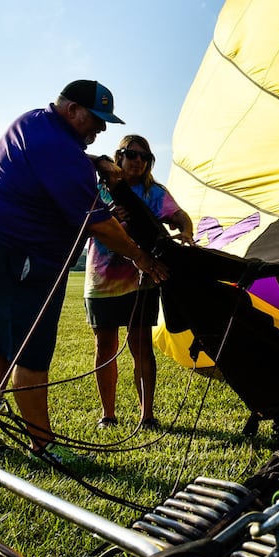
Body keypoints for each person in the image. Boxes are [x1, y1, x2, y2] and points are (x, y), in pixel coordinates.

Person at [0, 79, 169, 463]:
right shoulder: (60, 149)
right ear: (72, 110)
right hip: (17, 251)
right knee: (31, 352)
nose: (101, 129)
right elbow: (100, 224)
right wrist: (142, 258)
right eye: (96, 119)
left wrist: (96, 161)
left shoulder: (33, 123)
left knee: (3, 348)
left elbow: (56, 159)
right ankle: (44, 445)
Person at [85, 134, 193, 430]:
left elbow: (181, 216)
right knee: (104, 346)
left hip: (142, 280)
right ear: (117, 157)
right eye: (131, 154)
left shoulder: (155, 193)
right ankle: (108, 415)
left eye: (145, 157)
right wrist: (107, 217)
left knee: (141, 345)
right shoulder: (98, 191)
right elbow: (81, 226)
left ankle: (147, 416)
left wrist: (186, 232)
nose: (138, 161)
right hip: (102, 279)